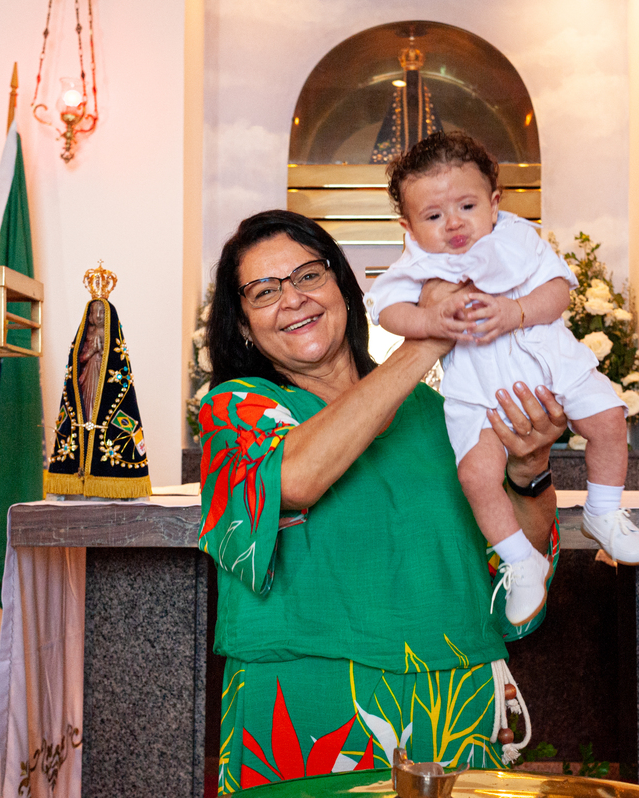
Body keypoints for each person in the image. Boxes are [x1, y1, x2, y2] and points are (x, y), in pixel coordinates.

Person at [197, 210, 566, 793]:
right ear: (244, 325)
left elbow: (517, 556)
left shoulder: (441, 413)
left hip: (455, 703)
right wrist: (428, 339)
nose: (292, 300)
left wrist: (529, 470)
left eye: (308, 276)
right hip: (309, 705)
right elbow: (293, 479)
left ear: (344, 289)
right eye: (265, 292)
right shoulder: (237, 408)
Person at [366, 132, 639, 627]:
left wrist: (517, 310)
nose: (453, 223)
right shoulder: (419, 263)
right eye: (433, 217)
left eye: (467, 205)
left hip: (545, 362)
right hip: (478, 388)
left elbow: (559, 290)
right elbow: (388, 310)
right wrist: (432, 321)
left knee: (609, 418)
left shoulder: (518, 238)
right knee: (475, 476)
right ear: (408, 227)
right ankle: (521, 561)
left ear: (495, 203)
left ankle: (603, 511)